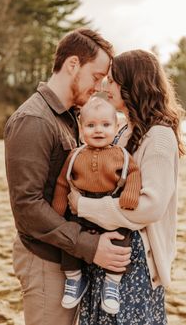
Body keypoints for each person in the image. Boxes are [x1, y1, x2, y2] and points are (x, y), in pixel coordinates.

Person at [4, 28, 132, 325]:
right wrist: (89, 246)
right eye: (96, 76)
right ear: (73, 64)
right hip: (45, 260)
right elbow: (27, 207)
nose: (99, 86)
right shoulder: (34, 120)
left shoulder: (69, 116)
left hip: (65, 255)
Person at [68, 49, 185, 325]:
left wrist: (83, 206)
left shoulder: (158, 136)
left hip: (133, 262)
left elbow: (149, 207)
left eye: (114, 80)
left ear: (134, 83)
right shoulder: (125, 129)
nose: (107, 86)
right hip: (109, 251)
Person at [52, 96, 141, 314]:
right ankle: (74, 279)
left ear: (116, 126)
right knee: (69, 236)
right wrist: (58, 206)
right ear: (81, 129)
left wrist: (129, 194)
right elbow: (63, 181)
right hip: (80, 207)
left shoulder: (122, 155)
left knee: (122, 237)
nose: (98, 130)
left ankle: (112, 284)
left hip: (110, 206)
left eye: (105, 125)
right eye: (91, 125)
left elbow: (134, 173)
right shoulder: (75, 155)